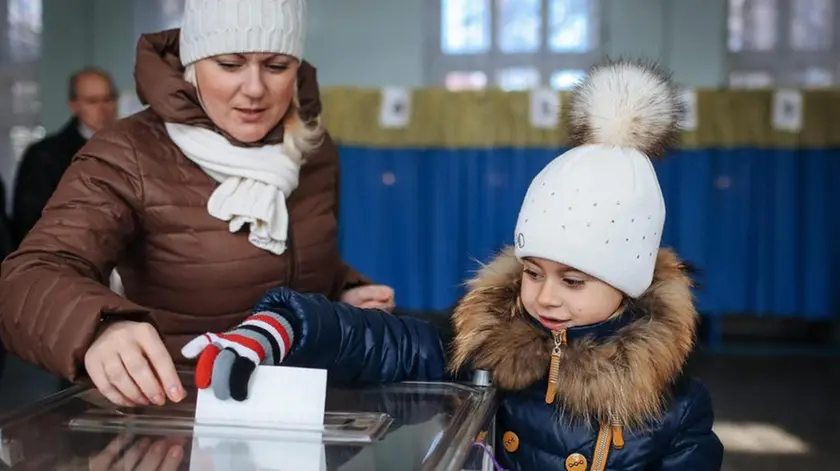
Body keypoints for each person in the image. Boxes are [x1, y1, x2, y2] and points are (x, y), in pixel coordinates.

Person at [185, 60, 724, 470]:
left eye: (574, 280)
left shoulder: (675, 410)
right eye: (533, 272)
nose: (545, 297)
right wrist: (281, 328)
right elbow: (379, 342)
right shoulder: (487, 346)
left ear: (627, 285)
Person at [0, 0, 394, 409]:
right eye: (229, 63)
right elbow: (25, 279)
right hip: (178, 418)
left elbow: (292, 263)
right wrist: (98, 327)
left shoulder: (312, 149)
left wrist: (342, 292)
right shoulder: (129, 152)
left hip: (301, 407)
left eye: (276, 66)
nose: (256, 88)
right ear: (193, 63)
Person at [11, 68, 119, 246]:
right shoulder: (44, 156)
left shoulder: (134, 149)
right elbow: (30, 226)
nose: (103, 109)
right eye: (92, 101)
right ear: (74, 106)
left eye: (108, 99)